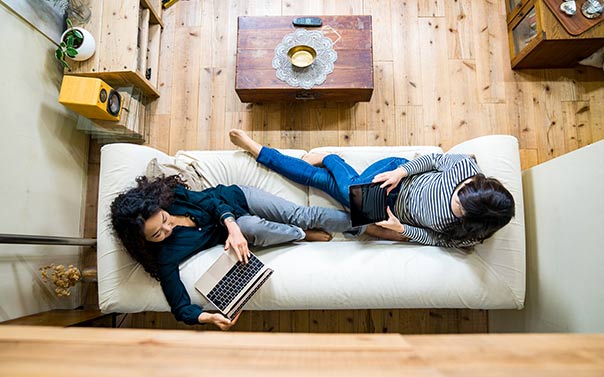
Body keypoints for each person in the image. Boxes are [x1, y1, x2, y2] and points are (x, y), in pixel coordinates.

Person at [110, 175, 354, 330]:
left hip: (237, 199)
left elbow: (214, 202)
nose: (168, 228)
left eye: (164, 220)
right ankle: (301, 234)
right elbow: (179, 305)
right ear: (145, 242)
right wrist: (207, 318)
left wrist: (231, 225)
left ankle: (366, 222)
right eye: (157, 234)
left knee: (302, 216)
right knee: (252, 227)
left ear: (161, 207)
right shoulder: (164, 255)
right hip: (244, 228)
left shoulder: (173, 199)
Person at [229, 129, 515, 249]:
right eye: (460, 191)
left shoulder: (468, 236)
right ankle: (331, 158)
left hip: (388, 212)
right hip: (396, 175)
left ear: (471, 220)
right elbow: (433, 160)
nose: (455, 199)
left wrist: (400, 229)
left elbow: (436, 239)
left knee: (322, 181)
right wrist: (400, 171)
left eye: (459, 209)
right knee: (351, 188)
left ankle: (257, 150)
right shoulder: (465, 168)